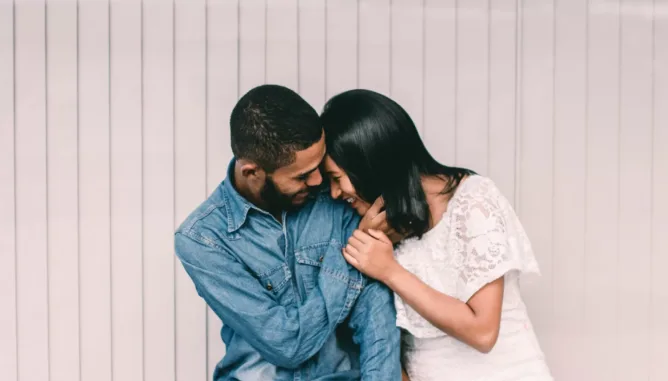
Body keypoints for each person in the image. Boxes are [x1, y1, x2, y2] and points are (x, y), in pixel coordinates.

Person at [319, 89, 553, 381]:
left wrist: (389, 270)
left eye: (336, 178)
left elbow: (482, 333)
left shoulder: (472, 199)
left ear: (368, 163)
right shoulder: (376, 229)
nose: (334, 192)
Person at [174, 84, 401, 380]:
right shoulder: (203, 239)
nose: (319, 180)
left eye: (319, 166)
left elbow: (375, 315)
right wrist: (354, 249)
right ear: (252, 173)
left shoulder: (332, 198)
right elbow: (287, 345)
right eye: (303, 175)